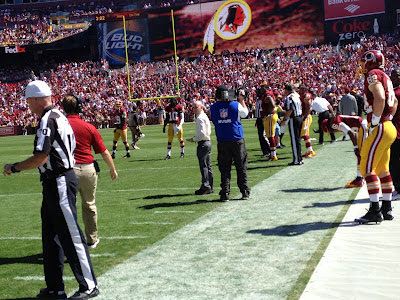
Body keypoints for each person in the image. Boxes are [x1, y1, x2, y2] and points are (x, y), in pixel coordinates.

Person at [3, 81, 99, 300]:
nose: (28, 106)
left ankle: (89, 285)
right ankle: (55, 288)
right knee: (51, 237)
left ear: (37, 99)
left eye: (28, 101)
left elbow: (41, 157)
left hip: (60, 181)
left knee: (70, 234)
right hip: (54, 181)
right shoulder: (57, 115)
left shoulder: (48, 119)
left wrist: (14, 167)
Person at [61, 95, 118, 249]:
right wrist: (112, 168)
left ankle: (70, 242)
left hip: (68, 170)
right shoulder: (88, 126)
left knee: (67, 207)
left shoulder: (60, 125)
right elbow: (104, 152)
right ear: (79, 108)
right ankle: (92, 239)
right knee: (89, 205)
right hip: (87, 168)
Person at [355, 50, 397, 224]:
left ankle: (375, 211)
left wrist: (375, 122)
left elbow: (379, 96)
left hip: (379, 126)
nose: (362, 65)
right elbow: (394, 102)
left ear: (371, 61)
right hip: (389, 126)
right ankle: (387, 208)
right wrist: (388, 118)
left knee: (366, 169)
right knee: (383, 170)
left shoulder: (373, 74)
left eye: (364, 61)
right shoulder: (385, 75)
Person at [210, 86, 250, 202]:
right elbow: (245, 114)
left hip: (222, 140)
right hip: (237, 139)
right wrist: (241, 100)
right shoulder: (235, 105)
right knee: (241, 166)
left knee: (224, 168)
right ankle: (244, 191)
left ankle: (225, 193)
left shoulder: (213, 107)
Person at [321, 114, 368, 188]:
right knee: (361, 154)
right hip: (362, 126)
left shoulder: (334, 123)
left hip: (362, 126)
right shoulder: (336, 121)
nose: (334, 131)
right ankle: (360, 178)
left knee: (361, 154)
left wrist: (356, 147)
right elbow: (353, 133)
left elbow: (350, 133)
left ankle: (360, 179)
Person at [188, 101, 214, 195]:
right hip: (207, 141)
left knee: (204, 166)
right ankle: (210, 185)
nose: (194, 109)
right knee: (208, 165)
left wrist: (194, 139)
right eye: (193, 107)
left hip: (203, 143)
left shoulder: (200, 118)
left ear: (201, 107)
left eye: (196, 107)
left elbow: (202, 133)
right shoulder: (203, 116)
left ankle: (206, 186)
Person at [281, 84, 303, 165]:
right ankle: (299, 158)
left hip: (294, 119)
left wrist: (284, 120)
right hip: (299, 117)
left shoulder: (289, 97)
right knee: (298, 139)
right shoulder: (297, 96)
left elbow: (290, 109)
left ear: (287, 90)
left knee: (294, 140)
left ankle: (297, 159)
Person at [389, 67, 400, 200]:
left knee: (394, 162)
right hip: (395, 130)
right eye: (393, 76)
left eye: (397, 75)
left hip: (396, 131)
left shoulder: (395, 93)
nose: (395, 77)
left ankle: (398, 188)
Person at [260, 88, 278, 161]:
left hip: (270, 115)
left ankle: (274, 155)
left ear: (264, 88)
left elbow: (272, 105)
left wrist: (268, 112)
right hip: (269, 116)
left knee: (271, 136)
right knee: (269, 136)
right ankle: (272, 154)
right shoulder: (267, 94)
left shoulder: (267, 94)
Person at [298, 85, 315, 158]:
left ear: (304, 89)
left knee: (305, 135)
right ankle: (308, 150)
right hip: (305, 115)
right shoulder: (303, 95)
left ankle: (310, 151)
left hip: (306, 116)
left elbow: (307, 106)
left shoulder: (306, 95)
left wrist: (305, 116)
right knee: (304, 134)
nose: (299, 90)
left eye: (301, 89)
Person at [254, 87, 270, 157]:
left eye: (258, 92)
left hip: (263, 118)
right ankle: (265, 152)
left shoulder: (264, 99)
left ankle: (269, 150)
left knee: (264, 135)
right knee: (260, 136)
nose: (257, 94)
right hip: (259, 119)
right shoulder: (258, 100)